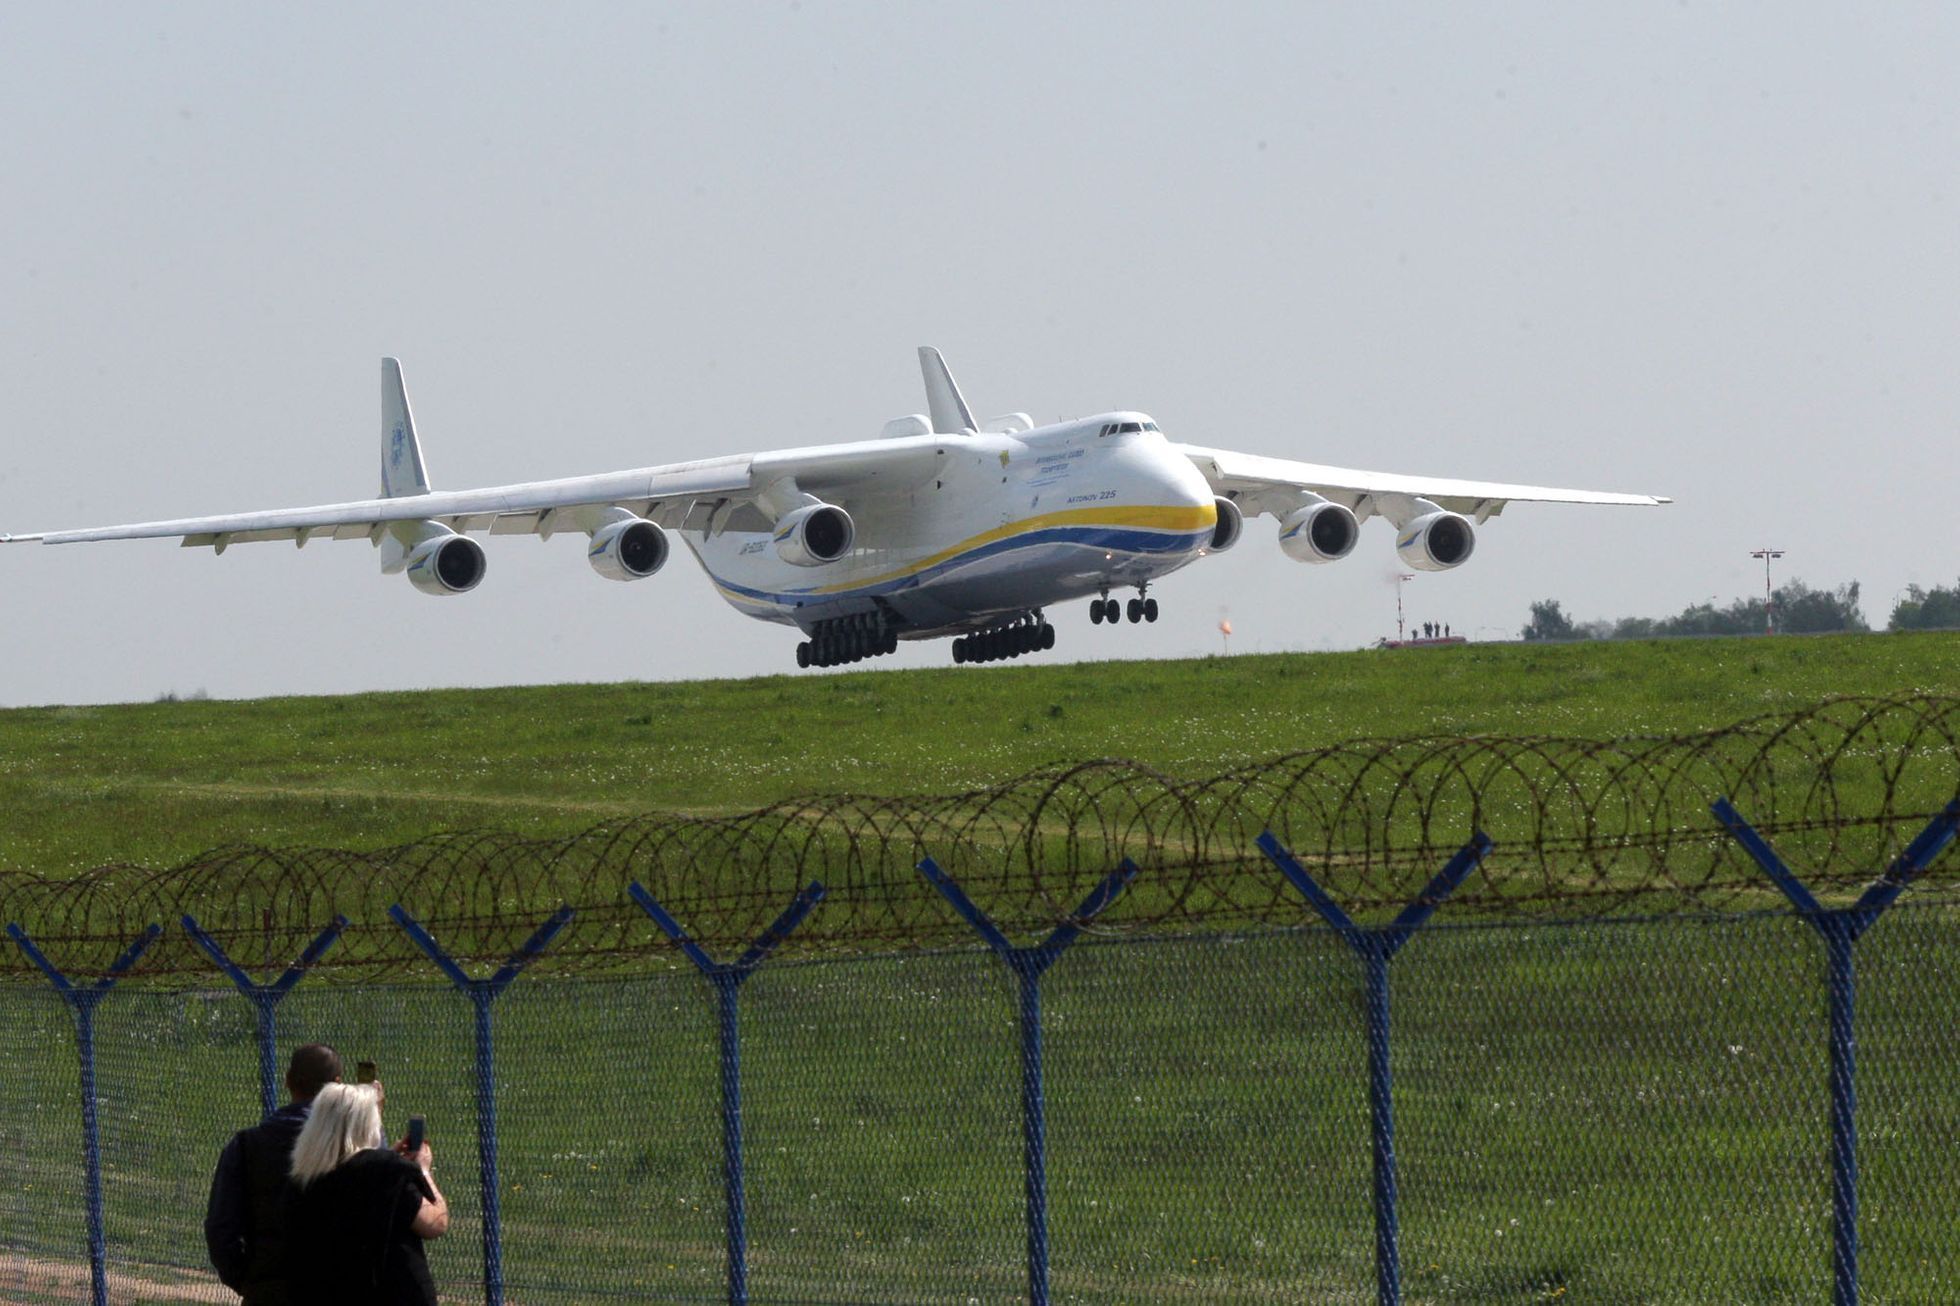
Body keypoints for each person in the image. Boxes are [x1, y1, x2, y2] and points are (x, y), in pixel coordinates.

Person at [284, 1082, 449, 1306]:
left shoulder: (303, 1179)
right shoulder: (385, 1169)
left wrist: (390, 1158)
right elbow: (435, 1223)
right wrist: (422, 1170)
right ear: (365, 1126)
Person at [205, 1044, 344, 1305]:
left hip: (267, 1287)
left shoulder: (246, 1146)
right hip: (336, 1287)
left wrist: (247, 1280)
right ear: (338, 1086)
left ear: (288, 1080)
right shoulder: (350, 1148)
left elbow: (220, 1229)